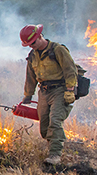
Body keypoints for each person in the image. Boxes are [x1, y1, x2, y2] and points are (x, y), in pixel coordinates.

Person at [20, 24, 78, 165]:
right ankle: (53, 145)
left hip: (60, 90)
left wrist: (70, 91)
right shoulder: (33, 56)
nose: (31, 46)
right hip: (44, 92)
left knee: (55, 121)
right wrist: (28, 95)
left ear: (40, 36)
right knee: (44, 125)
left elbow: (70, 70)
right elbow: (30, 77)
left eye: (33, 43)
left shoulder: (58, 50)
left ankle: (55, 155)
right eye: (28, 44)